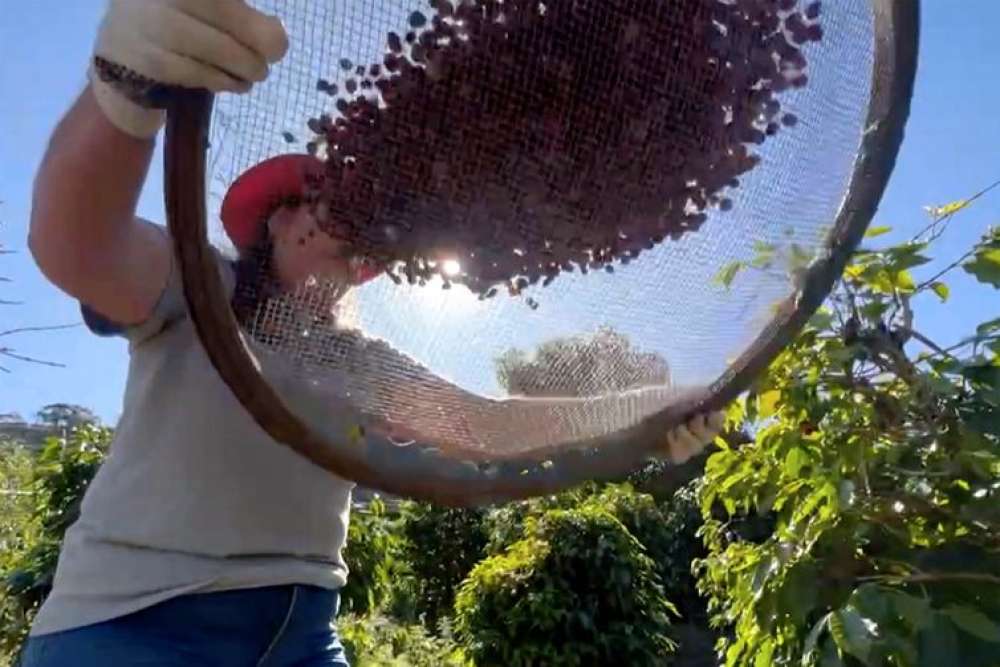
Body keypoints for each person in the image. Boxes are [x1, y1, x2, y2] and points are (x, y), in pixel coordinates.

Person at [20, 1, 726, 665]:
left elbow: (491, 425)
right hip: (134, 626)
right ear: (278, 221)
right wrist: (122, 93)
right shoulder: (205, 283)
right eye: (334, 205)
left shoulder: (356, 360)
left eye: (372, 225)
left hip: (301, 634)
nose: (358, 232)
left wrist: (648, 410)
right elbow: (77, 245)